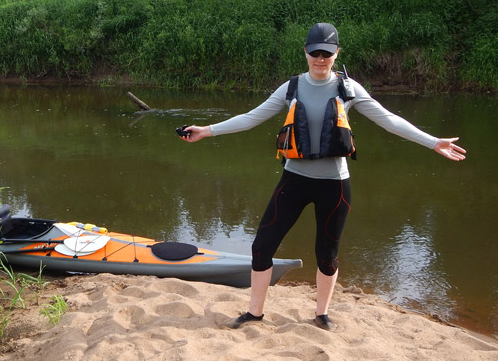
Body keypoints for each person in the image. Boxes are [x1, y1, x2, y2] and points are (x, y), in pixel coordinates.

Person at [179, 23, 466, 331]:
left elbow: (389, 120)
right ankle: (254, 313)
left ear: (336, 54)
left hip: (335, 186)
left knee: (326, 255)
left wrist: (433, 141)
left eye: (327, 54)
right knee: (262, 247)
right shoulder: (291, 88)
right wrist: (206, 131)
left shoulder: (349, 89)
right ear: (305, 52)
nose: (320, 59)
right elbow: (251, 118)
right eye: (315, 52)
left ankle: (321, 314)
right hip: (294, 180)